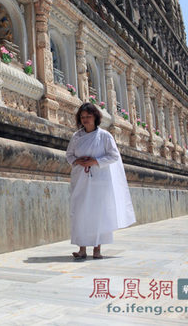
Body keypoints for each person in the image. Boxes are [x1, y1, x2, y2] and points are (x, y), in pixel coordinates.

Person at [65, 102, 136, 259]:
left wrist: (95, 161)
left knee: (98, 213)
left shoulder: (104, 136)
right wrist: (78, 161)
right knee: (80, 213)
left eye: (88, 116)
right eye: (82, 117)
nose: (85, 120)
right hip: (81, 180)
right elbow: (69, 155)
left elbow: (114, 156)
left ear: (95, 117)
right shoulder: (76, 137)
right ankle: (82, 249)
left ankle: (97, 249)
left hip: (99, 181)